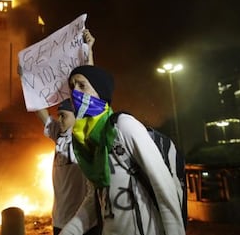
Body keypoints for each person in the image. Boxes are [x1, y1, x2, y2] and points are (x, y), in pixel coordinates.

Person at [60, 65, 185, 235]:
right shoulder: (86, 144)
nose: (75, 93)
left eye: (82, 86)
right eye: (72, 87)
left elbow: (162, 185)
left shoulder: (123, 126)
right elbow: (95, 199)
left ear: (100, 92)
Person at [34, 29, 99, 235]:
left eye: (63, 116)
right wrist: (27, 80)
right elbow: (38, 109)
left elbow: (91, 90)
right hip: (60, 220)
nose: (59, 120)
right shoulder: (58, 135)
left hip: (83, 221)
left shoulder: (83, 132)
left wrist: (88, 50)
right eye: (58, 115)